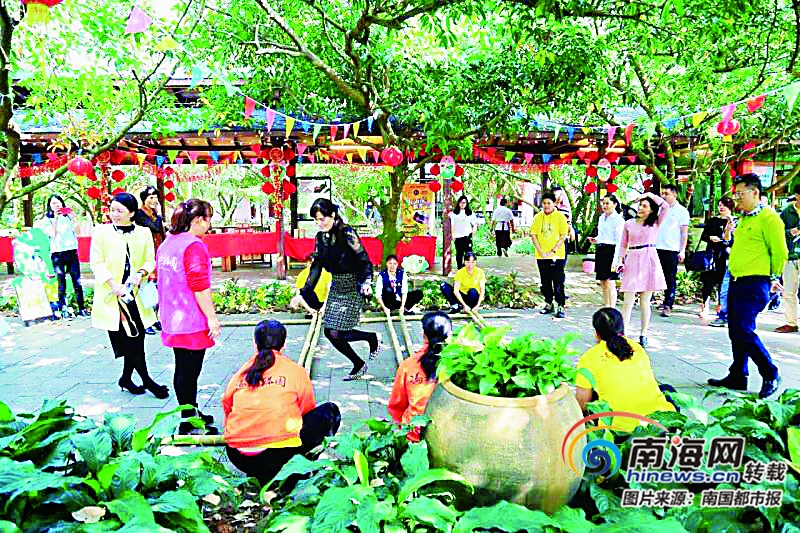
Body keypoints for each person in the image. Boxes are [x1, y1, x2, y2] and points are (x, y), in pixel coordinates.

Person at [223, 319, 341, 485]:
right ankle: (297, 465)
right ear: (284, 345)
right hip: (277, 455)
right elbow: (306, 410)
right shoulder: (295, 370)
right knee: (330, 411)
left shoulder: (241, 373)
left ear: (254, 344)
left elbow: (227, 408)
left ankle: (263, 473)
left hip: (237, 456)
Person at [708, 174, 787, 399]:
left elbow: (780, 252)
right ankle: (738, 374)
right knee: (735, 330)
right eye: (736, 194)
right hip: (737, 280)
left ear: (755, 192)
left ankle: (770, 373)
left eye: (741, 194)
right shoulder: (743, 219)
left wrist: (774, 278)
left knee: (743, 329)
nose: (737, 199)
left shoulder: (769, 218)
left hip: (755, 282)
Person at [290, 198, 380, 381]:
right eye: (316, 220)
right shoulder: (320, 237)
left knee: (337, 332)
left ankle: (368, 346)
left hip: (353, 285)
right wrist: (302, 292)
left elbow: (363, 259)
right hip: (337, 286)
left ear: (332, 215)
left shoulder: (347, 233)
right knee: (330, 332)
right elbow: (316, 266)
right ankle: (364, 352)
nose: (319, 223)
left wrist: (366, 282)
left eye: (322, 219)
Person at [89, 192, 168, 399]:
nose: (114, 214)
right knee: (130, 339)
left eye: (119, 211)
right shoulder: (102, 232)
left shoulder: (143, 233)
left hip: (135, 295)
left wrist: (140, 274)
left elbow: (150, 260)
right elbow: (96, 262)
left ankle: (126, 378)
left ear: (132, 213)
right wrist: (114, 285)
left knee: (137, 338)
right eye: (112, 210)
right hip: (114, 296)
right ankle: (148, 382)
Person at [156, 199, 222, 434]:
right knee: (189, 371)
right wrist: (212, 318)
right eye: (208, 218)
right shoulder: (193, 245)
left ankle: (191, 412)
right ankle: (188, 421)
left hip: (172, 317)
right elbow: (199, 286)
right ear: (197, 220)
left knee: (182, 368)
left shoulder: (168, 243)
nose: (209, 224)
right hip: (190, 319)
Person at [574, 308, 676, 431]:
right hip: (659, 423)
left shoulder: (588, 358)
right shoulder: (637, 348)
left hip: (620, 431)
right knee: (667, 389)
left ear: (596, 333)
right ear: (622, 328)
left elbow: (582, 404)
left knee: (593, 397)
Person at [612, 192, 670, 348]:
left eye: (645, 206)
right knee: (628, 300)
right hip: (632, 258)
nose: (641, 208)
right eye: (640, 205)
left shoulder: (655, 222)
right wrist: (620, 260)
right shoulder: (629, 223)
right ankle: (622, 333)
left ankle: (643, 334)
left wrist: (649, 194)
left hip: (649, 259)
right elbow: (623, 244)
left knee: (645, 301)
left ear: (651, 210)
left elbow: (665, 206)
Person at [388, 311, 452, 427]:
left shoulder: (408, 365)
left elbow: (397, 406)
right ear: (450, 335)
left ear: (424, 336)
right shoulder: (460, 364)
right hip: (446, 431)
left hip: (413, 431)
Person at [35, 195, 88, 319]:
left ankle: (81, 309)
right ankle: (63, 309)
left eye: (58, 202)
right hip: (57, 254)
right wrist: (56, 219)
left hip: (71, 252)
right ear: (49, 206)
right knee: (61, 282)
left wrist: (74, 218)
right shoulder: (46, 220)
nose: (57, 205)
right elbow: (52, 234)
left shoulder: (68, 217)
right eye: (53, 203)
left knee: (77, 282)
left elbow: (78, 232)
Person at [530, 191, 570, 318]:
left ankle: (560, 305)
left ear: (554, 204)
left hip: (557, 255)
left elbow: (563, 235)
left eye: (549, 203)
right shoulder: (538, 217)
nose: (546, 205)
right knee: (545, 280)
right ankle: (548, 303)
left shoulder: (560, 217)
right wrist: (541, 251)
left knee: (558, 281)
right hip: (541, 255)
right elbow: (533, 235)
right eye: (544, 203)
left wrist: (553, 251)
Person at [655, 184, 690, 317]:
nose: (664, 196)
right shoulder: (660, 209)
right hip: (657, 247)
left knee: (670, 278)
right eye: (662, 193)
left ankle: (668, 304)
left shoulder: (682, 211)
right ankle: (661, 301)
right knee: (658, 276)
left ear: (674, 194)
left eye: (667, 193)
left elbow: (684, 233)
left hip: (671, 249)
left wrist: (682, 250)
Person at [134, 186, 166, 335]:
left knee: (156, 288)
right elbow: (152, 227)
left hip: (157, 254)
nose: (154, 200)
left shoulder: (155, 215)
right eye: (151, 197)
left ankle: (154, 318)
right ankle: (144, 321)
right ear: (144, 199)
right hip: (144, 256)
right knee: (144, 288)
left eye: (156, 197)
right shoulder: (139, 215)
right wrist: (159, 218)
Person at [698, 198, 735, 318]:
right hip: (712, 254)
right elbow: (704, 236)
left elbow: (733, 240)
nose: (721, 207)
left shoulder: (735, 222)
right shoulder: (713, 221)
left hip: (726, 255)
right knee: (708, 281)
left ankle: (721, 307)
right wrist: (710, 238)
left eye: (724, 205)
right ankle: (705, 306)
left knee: (723, 282)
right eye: (719, 205)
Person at [589, 194, 625, 308]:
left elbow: (619, 241)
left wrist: (616, 260)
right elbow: (602, 235)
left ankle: (612, 307)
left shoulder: (618, 220)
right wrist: (596, 239)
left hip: (611, 251)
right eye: (603, 203)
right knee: (603, 281)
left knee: (610, 282)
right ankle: (606, 305)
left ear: (614, 204)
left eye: (607, 203)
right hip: (601, 250)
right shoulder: (601, 217)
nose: (605, 206)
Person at [775, 184, 800, 333]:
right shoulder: (786, 212)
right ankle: (791, 322)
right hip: (790, 255)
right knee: (789, 291)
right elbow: (777, 233)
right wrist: (790, 232)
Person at [448, 195, 478, 269]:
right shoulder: (454, 213)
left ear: (466, 203)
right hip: (458, 237)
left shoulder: (470, 213)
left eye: (464, 202)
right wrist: (452, 235)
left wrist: (474, 230)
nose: (462, 204)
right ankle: (459, 268)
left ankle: (468, 267)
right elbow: (451, 225)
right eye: (461, 202)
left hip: (467, 236)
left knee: (468, 253)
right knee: (459, 253)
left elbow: (475, 223)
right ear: (458, 203)